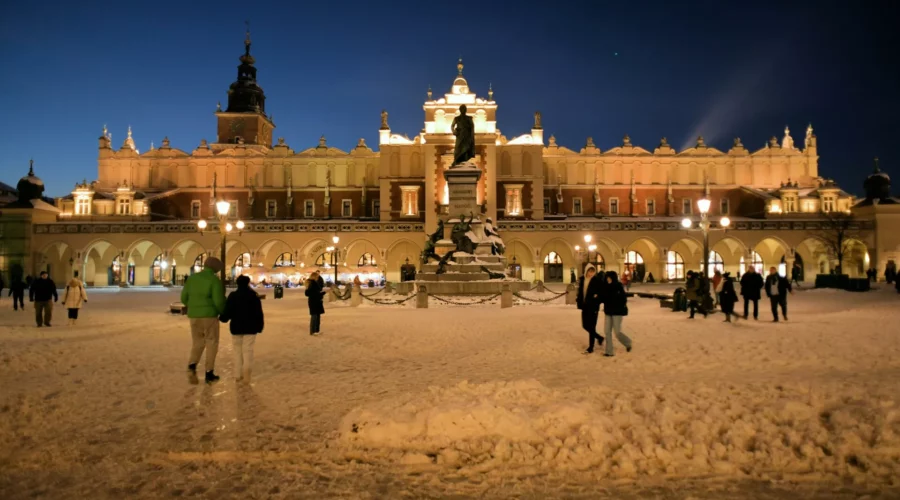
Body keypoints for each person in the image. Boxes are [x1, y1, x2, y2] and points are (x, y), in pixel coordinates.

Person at [181, 257, 226, 384]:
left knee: (197, 342)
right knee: (212, 342)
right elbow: (218, 301)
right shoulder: (214, 280)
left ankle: (192, 365)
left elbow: (184, 298)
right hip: (209, 316)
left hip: (194, 316)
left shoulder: (192, 278)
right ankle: (209, 372)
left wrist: (194, 306)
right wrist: (223, 311)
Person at [219, 275, 264, 383]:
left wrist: (223, 318)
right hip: (251, 327)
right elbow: (258, 313)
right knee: (248, 350)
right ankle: (247, 372)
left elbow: (228, 311)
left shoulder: (233, 296)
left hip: (236, 327)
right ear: (248, 283)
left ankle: (237, 374)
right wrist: (260, 326)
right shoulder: (253, 296)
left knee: (237, 351)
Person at [602, 271, 632, 357]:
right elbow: (603, 298)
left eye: (609, 278)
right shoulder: (605, 287)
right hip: (608, 312)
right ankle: (609, 351)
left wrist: (617, 304)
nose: (608, 279)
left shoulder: (618, 286)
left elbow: (623, 299)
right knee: (607, 331)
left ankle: (628, 342)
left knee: (617, 332)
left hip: (617, 312)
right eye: (607, 278)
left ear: (613, 278)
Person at [576, 264, 605, 354]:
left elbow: (602, 293)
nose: (591, 273)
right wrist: (578, 300)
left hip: (593, 306)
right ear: (586, 271)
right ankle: (599, 337)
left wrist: (597, 298)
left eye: (593, 271)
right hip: (584, 306)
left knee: (592, 327)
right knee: (585, 325)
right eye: (589, 271)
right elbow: (580, 292)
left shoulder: (597, 280)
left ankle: (591, 347)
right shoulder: (582, 280)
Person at [305, 271, 326, 336]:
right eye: (317, 277)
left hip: (314, 301)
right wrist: (323, 293)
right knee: (315, 316)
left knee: (316, 316)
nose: (318, 278)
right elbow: (313, 293)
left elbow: (309, 293)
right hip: (315, 302)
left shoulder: (311, 283)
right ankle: (313, 331)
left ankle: (316, 330)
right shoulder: (313, 284)